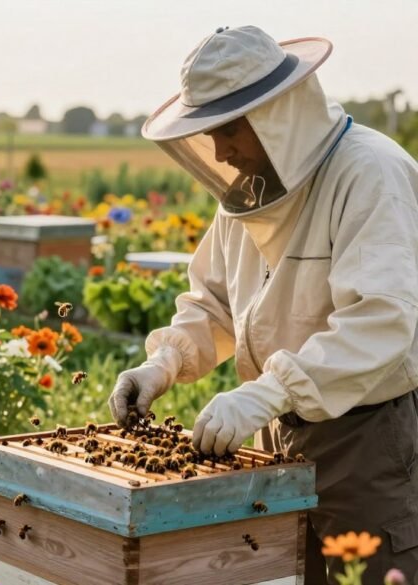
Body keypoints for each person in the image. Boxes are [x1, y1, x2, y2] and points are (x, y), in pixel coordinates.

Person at [108, 25, 418, 584]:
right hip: (275, 432)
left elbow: (381, 320)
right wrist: (165, 364)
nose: (220, 151)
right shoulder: (249, 192)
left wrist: (266, 392)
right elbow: (215, 303)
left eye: (229, 130)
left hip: (365, 438)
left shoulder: (370, 173)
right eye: (209, 132)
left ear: (279, 116)